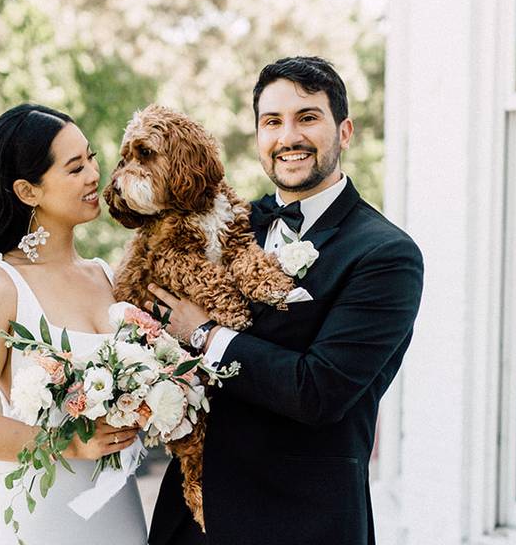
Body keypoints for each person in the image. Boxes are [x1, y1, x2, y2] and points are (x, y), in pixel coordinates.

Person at [146, 56, 424, 545]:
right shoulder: (230, 224)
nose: (288, 136)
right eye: (272, 121)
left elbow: (317, 391)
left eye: (307, 118)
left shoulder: (385, 254)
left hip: (300, 522)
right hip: (194, 519)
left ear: (345, 131)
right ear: (257, 136)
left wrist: (205, 333)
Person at [0, 104, 147, 544]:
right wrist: (69, 443)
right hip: (40, 522)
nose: (94, 175)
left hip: (117, 512)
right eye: (74, 168)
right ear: (28, 191)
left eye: (90, 157)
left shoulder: (108, 276)